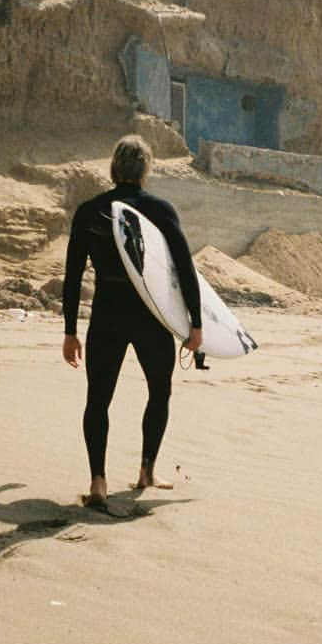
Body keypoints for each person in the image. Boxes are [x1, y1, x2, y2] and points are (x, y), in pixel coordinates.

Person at [62, 135, 203, 505]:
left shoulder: (90, 211)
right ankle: (146, 471)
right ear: (146, 170)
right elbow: (185, 270)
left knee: (98, 398)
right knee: (160, 391)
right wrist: (196, 323)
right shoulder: (160, 209)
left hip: (106, 313)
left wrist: (70, 331)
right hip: (149, 316)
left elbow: (73, 274)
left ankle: (98, 482)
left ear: (113, 169)